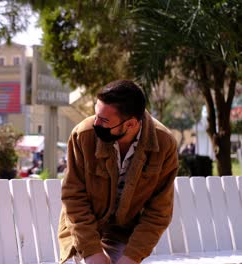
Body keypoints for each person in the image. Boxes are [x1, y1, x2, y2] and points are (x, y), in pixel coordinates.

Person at [58, 80, 178, 264]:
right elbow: (73, 198)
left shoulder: (164, 144)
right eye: (96, 114)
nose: (95, 123)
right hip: (83, 231)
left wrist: (132, 257)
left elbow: (159, 212)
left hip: (125, 236)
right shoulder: (83, 135)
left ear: (130, 124)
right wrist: (92, 251)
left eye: (104, 120)